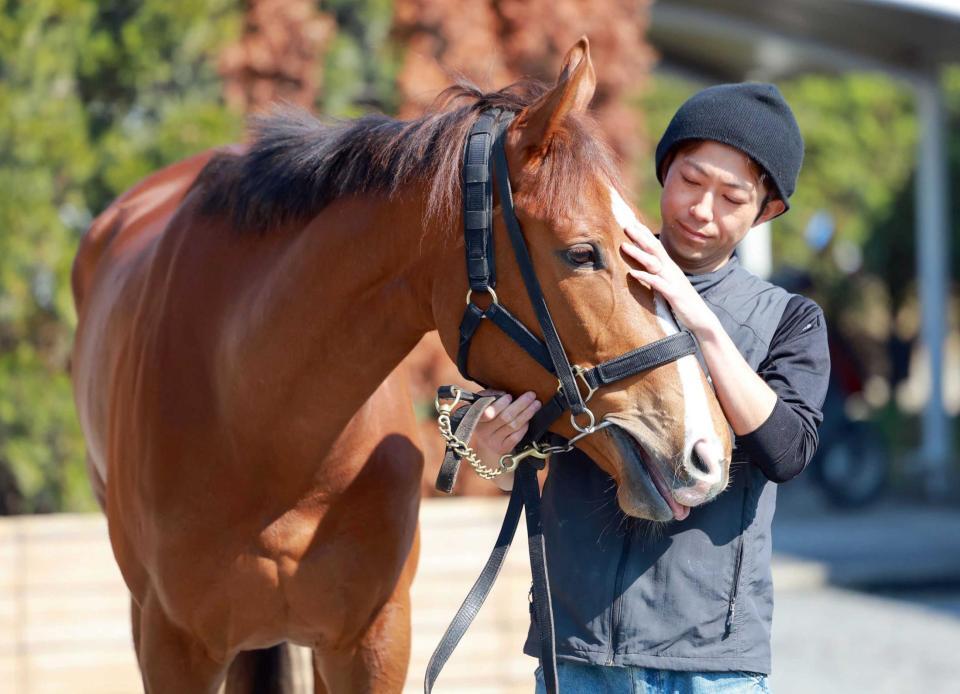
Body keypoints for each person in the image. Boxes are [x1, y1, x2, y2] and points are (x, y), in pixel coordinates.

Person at [473, 83, 830, 693]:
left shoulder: (788, 320)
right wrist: (488, 448)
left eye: (732, 197)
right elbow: (527, 427)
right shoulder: (585, 281)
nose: (702, 209)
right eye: (691, 180)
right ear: (665, 171)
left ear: (766, 211)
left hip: (709, 663)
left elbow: (786, 452)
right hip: (577, 650)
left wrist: (697, 318)